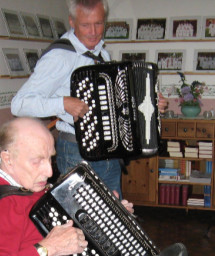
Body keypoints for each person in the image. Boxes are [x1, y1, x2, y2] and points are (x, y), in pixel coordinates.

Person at [0, 117, 159, 256]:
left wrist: (108, 215)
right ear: (7, 158)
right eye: (37, 161)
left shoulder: (28, 184)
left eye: (49, 159)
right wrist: (47, 248)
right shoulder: (0, 205)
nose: (49, 171)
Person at [11, 0, 167, 200]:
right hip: (77, 151)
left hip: (110, 151)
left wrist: (150, 104)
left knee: (113, 216)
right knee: (84, 220)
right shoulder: (59, 56)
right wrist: (63, 103)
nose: (93, 31)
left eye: (99, 23)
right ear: (72, 22)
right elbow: (20, 103)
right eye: (85, 25)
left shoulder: (101, 52)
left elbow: (117, 103)